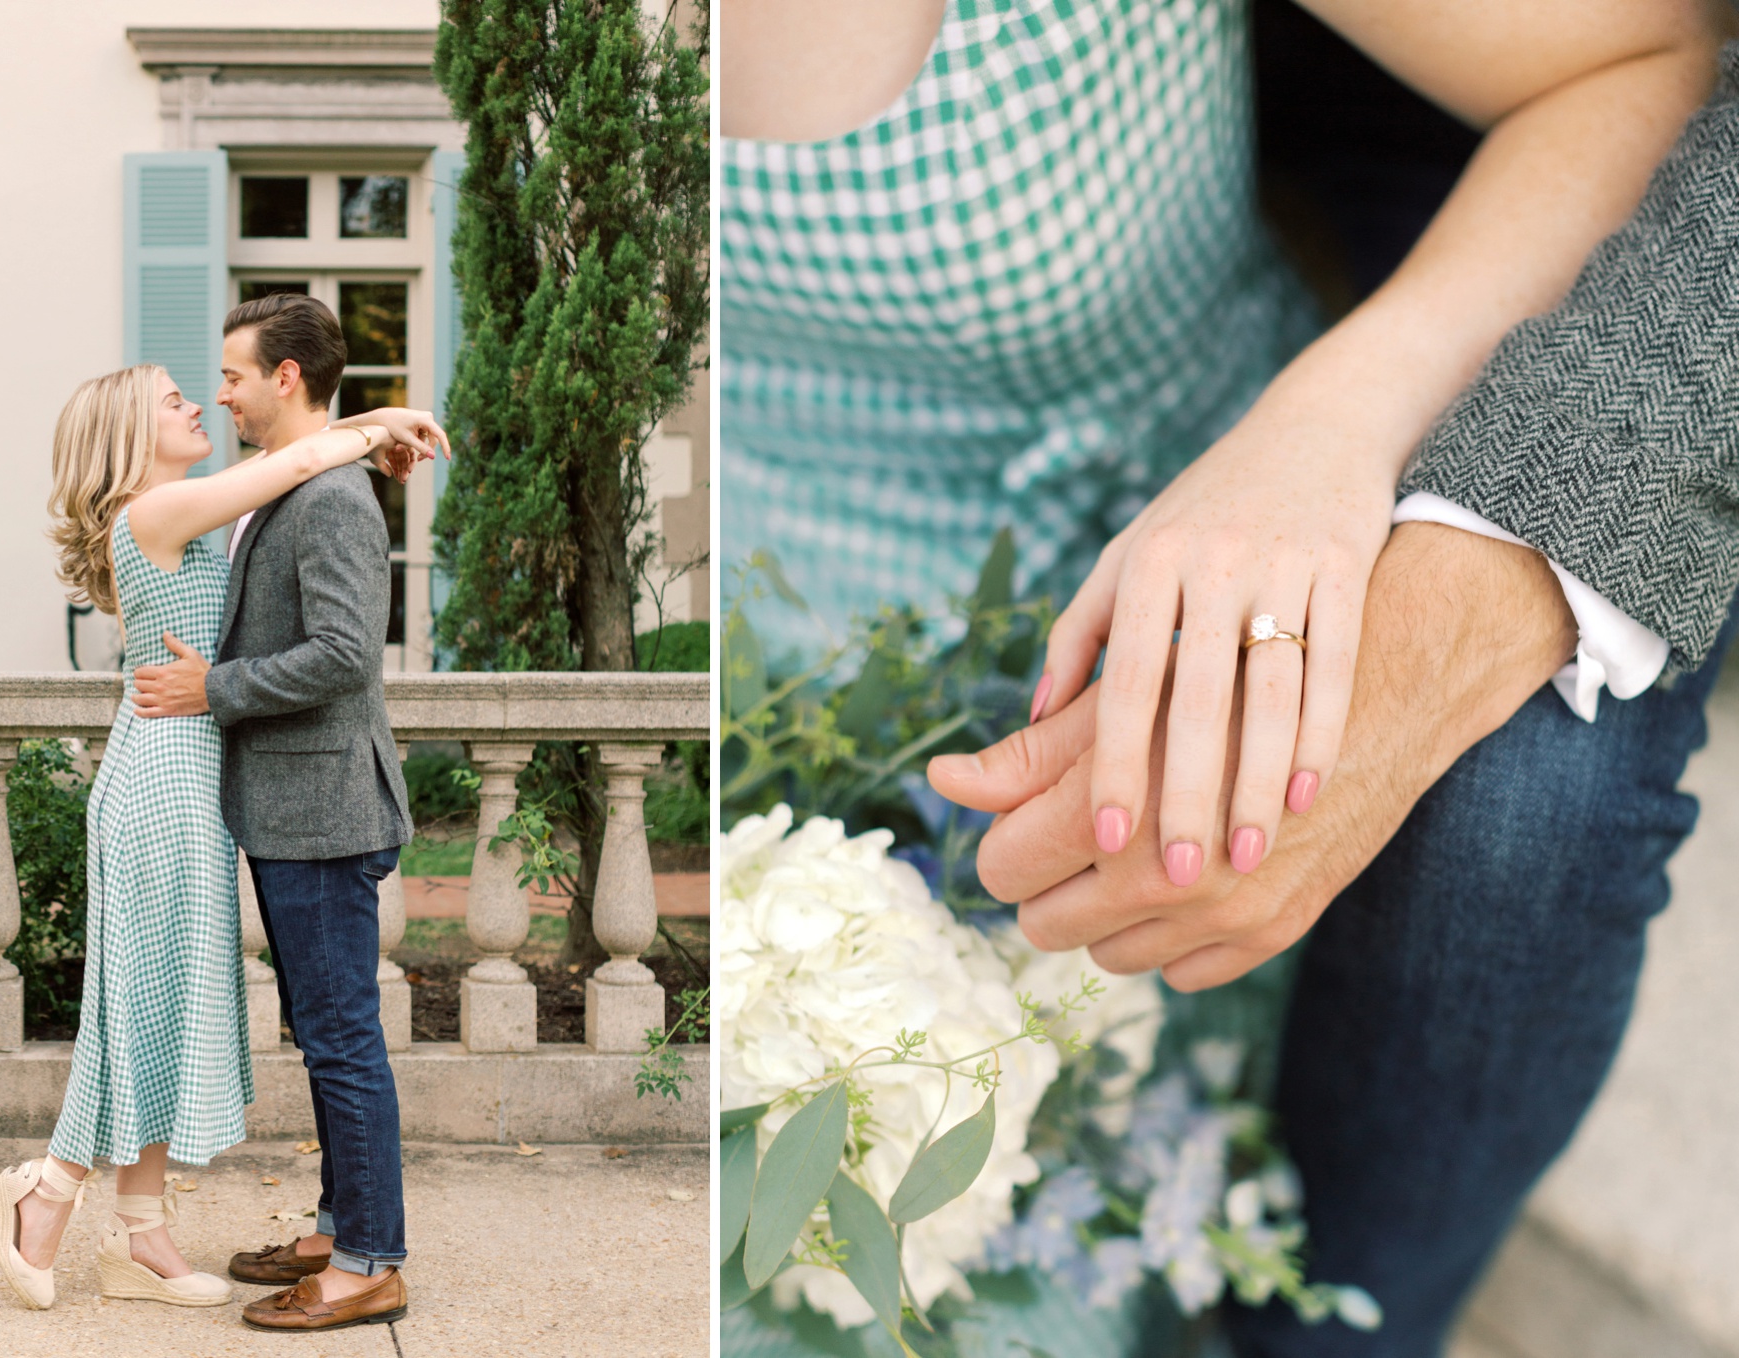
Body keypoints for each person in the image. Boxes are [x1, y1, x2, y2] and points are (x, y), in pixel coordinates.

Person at [725, 0, 1729, 1350]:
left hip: (1176, 553)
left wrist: (1333, 420)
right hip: (757, 683)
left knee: (1525, 797)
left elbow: (1641, 65)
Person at [0, 348, 443, 1315]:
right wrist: (383, 422)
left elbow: (292, 463)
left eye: (207, 390)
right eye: (174, 400)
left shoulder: (188, 511)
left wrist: (372, 427)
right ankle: (47, 1195)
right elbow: (293, 459)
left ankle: (139, 1231)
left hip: (188, 783)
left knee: (158, 1002)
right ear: (128, 436)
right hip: (159, 785)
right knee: (138, 1006)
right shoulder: (153, 513)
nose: (200, 404)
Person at [126, 292, 425, 1333]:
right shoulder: (297, 478)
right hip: (294, 807)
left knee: (342, 1041)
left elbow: (344, 655)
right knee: (324, 1035)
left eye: (234, 375)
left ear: (285, 376)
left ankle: (367, 1262)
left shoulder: (334, 497)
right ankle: (338, 1227)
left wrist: (212, 687)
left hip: (326, 811)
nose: (222, 393)